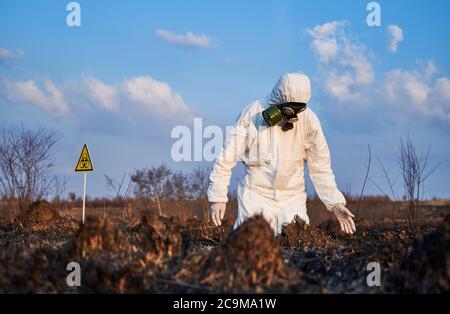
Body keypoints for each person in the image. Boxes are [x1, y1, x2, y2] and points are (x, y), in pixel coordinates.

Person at [207, 73, 356, 235]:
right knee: (251, 247)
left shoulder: (309, 120)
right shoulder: (252, 114)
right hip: (255, 196)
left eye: (297, 109)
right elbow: (226, 158)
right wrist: (217, 196)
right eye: (288, 109)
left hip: (293, 198)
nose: (291, 115)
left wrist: (335, 204)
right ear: (277, 101)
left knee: (296, 246)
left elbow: (320, 167)